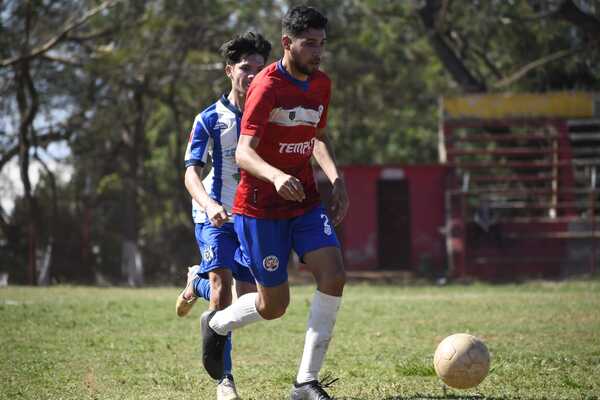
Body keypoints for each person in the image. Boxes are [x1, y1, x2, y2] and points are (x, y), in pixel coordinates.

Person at [200, 6, 349, 400]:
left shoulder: (321, 84)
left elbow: (317, 136)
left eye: (322, 44)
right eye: (309, 44)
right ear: (288, 43)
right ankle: (217, 324)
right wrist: (276, 175)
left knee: (333, 274)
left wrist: (336, 178)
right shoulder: (266, 86)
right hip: (259, 207)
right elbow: (244, 154)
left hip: (303, 201)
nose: (317, 52)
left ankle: (305, 383)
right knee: (273, 306)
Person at [175, 32, 272, 400]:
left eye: (259, 70)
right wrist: (210, 204)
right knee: (222, 294)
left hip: (252, 218)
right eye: (245, 68)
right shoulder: (208, 119)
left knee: (257, 301)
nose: (252, 76)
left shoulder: (269, 118)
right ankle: (225, 381)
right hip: (212, 215)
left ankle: (193, 281)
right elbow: (190, 172)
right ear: (229, 70)